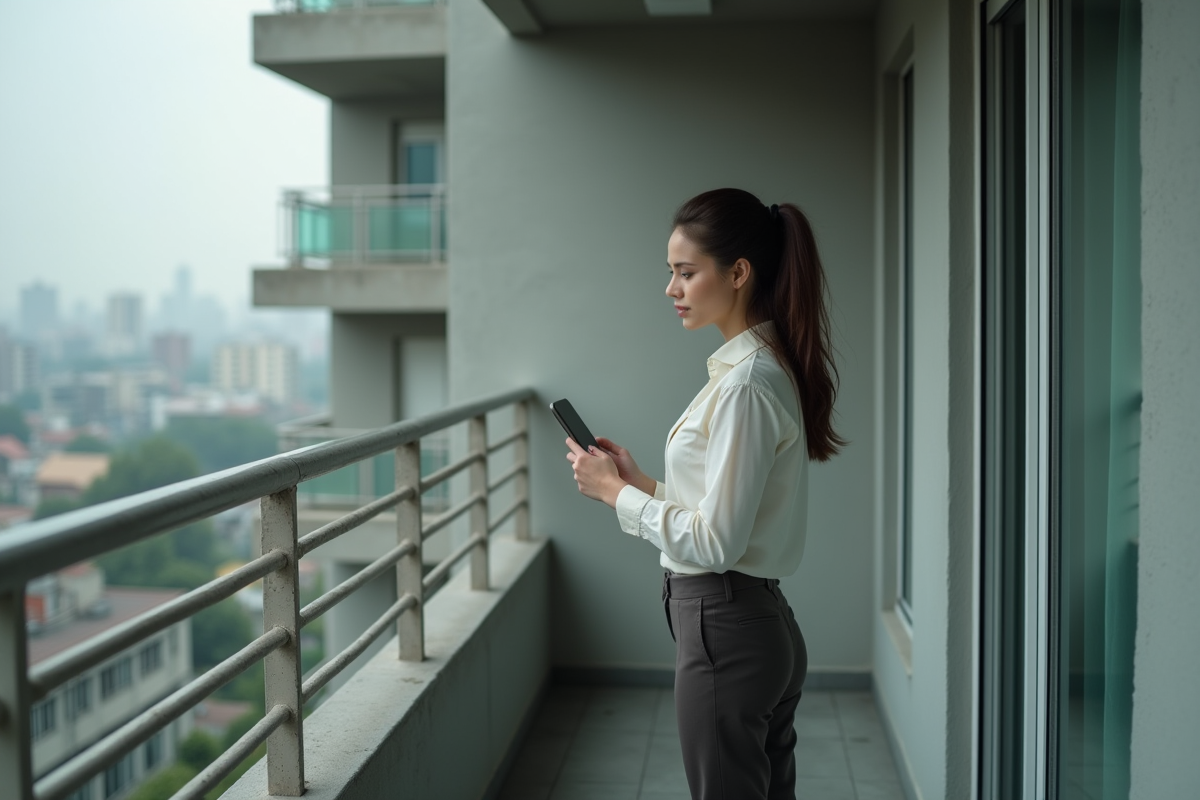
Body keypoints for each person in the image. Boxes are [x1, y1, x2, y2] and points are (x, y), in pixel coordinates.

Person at [564, 187, 845, 800]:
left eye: (686, 273)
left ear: (738, 272)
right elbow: (720, 512)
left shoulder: (746, 385)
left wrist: (619, 499)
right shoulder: (757, 371)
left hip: (728, 627)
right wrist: (640, 483)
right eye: (671, 273)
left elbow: (716, 541)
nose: (672, 289)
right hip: (749, 624)